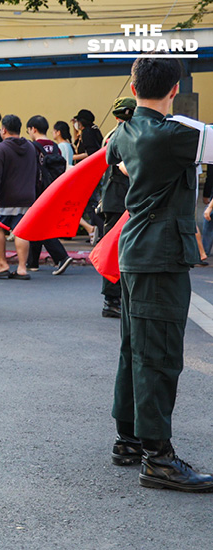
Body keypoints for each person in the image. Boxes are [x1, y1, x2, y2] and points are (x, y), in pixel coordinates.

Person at [106, 55, 213, 492]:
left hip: (136, 252)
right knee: (160, 355)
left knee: (135, 347)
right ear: (175, 89)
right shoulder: (177, 135)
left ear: (133, 90)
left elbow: (116, 161)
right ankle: (159, 459)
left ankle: (129, 440)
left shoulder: (124, 131)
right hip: (161, 255)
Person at [0, 114, 36, 280]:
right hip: (27, 196)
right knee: (21, 231)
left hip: (5, 197)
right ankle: (22, 268)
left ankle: (2, 264)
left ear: (4, 130)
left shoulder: (1, 148)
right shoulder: (30, 147)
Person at [99, 97, 136, 318]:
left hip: (114, 200)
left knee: (117, 250)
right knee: (116, 251)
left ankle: (116, 298)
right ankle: (112, 300)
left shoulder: (111, 135)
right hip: (119, 200)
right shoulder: (124, 135)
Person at [24, 115, 73, 275]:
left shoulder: (33, 147)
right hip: (54, 190)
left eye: (28, 130)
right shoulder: (55, 146)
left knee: (39, 225)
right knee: (36, 223)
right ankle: (32, 262)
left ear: (33, 129)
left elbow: (30, 170)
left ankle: (61, 256)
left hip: (38, 191)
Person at [72, 108, 106, 241]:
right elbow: (77, 143)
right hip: (95, 172)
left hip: (88, 172)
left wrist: (74, 157)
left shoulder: (87, 132)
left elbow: (91, 152)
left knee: (89, 203)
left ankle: (100, 231)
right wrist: (74, 128)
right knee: (90, 203)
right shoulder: (93, 130)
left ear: (82, 122)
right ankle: (96, 232)